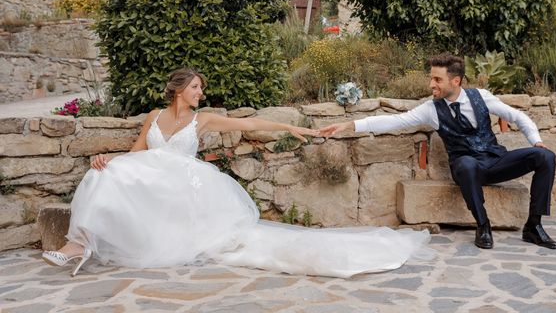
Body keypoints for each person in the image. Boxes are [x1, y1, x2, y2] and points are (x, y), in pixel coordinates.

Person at [42, 67, 432, 277]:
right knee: (102, 175)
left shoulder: (204, 119)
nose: (200, 92)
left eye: (200, 88)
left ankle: (81, 244)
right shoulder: (154, 116)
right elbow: (135, 153)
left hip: (184, 188)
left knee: (251, 240)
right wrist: (106, 161)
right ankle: (79, 245)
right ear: (179, 89)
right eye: (195, 87)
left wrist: (291, 127)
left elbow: (252, 126)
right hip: (153, 180)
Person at [320, 53, 556, 250]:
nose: (431, 85)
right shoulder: (430, 110)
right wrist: (350, 125)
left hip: (495, 161)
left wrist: (536, 140)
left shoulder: (481, 98)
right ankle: (483, 225)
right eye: (431, 78)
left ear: (455, 81)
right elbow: (395, 121)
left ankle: (533, 227)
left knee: (545, 156)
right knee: (466, 164)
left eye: (437, 79)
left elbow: (517, 116)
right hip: (466, 168)